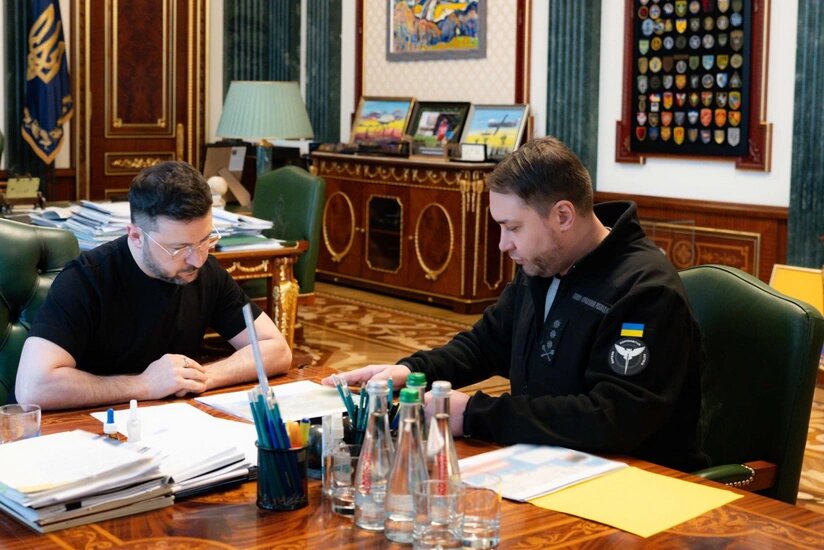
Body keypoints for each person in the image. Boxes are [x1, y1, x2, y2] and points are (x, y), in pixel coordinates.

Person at [323, 136, 707, 472]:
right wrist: (410, 371)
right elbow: (486, 343)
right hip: (548, 462)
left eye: (513, 227)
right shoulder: (543, 263)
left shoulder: (645, 290)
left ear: (563, 215)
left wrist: (474, 414)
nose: (503, 244)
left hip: (636, 481)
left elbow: (613, 418)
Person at [15, 161, 291, 410]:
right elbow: (33, 388)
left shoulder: (205, 271)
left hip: (168, 421)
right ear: (136, 236)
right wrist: (145, 385)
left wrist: (199, 377)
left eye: (206, 240)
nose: (197, 259)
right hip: (90, 427)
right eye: (179, 248)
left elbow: (276, 349)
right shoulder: (86, 280)